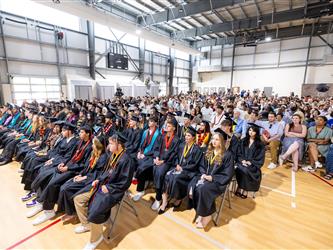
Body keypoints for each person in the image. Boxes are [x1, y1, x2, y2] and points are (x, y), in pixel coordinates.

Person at [73, 133, 135, 250]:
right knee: (78, 199)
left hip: (114, 191)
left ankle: (96, 238)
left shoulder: (127, 161)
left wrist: (110, 188)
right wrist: (98, 179)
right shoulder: (113, 155)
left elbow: (124, 184)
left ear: (119, 145)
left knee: (96, 210)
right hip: (102, 185)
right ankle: (87, 225)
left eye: (111, 143)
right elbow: (106, 172)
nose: (108, 146)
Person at [30, 125, 93, 225]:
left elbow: (83, 165)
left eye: (82, 132)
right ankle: (41, 201)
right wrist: (63, 163)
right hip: (68, 165)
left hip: (75, 170)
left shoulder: (90, 147)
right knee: (49, 176)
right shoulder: (80, 142)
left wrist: (68, 168)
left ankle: (49, 210)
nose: (79, 134)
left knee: (53, 183)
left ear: (88, 134)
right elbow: (72, 156)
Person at [188, 132, 234, 228]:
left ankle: (207, 215)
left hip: (218, 182)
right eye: (213, 138)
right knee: (195, 184)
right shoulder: (209, 151)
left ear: (222, 141)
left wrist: (212, 178)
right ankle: (201, 212)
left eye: (217, 139)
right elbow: (202, 165)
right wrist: (204, 174)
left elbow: (227, 174)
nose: (214, 141)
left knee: (202, 189)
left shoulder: (227, 155)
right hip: (205, 178)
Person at [57, 136, 108, 223]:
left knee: (66, 189)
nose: (92, 146)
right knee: (64, 186)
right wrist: (80, 174)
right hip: (85, 177)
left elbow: (97, 175)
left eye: (93, 144)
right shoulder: (94, 153)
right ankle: (70, 211)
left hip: (91, 181)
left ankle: (73, 213)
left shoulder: (103, 158)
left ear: (98, 146)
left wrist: (84, 177)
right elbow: (86, 167)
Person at [158, 126, 203, 214]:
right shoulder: (182, 145)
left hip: (189, 171)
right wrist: (177, 164)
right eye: (186, 135)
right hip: (178, 167)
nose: (186, 137)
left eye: (189, 136)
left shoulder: (197, 149)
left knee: (176, 178)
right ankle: (164, 202)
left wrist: (183, 168)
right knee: (167, 176)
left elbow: (195, 164)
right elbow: (176, 157)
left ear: (193, 137)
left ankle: (178, 199)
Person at [150, 120, 180, 211]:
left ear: (174, 128)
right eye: (167, 125)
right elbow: (156, 148)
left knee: (160, 172)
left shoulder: (176, 140)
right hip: (158, 159)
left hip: (168, 162)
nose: (167, 127)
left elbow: (174, 154)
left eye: (169, 126)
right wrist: (156, 157)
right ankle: (157, 192)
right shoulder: (162, 136)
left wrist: (163, 161)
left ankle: (158, 198)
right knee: (151, 167)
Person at [132, 116, 160, 201]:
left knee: (142, 165)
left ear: (155, 123)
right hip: (143, 153)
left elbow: (156, 149)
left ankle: (140, 190)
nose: (149, 122)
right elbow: (141, 144)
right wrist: (140, 152)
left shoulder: (158, 134)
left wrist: (145, 154)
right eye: (149, 121)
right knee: (131, 158)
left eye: (152, 121)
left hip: (151, 155)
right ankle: (131, 178)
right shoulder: (145, 131)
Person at [235, 124, 265, 198]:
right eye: (250, 130)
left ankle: (244, 189)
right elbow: (238, 153)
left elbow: (260, 157)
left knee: (246, 170)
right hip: (241, 162)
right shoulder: (243, 141)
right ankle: (240, 188)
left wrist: (250, 162)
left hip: (253, 165)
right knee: (241, 169)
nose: (251, 132)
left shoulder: (260, 144)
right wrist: (242, 160)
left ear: (257, 133)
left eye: (253, 131)